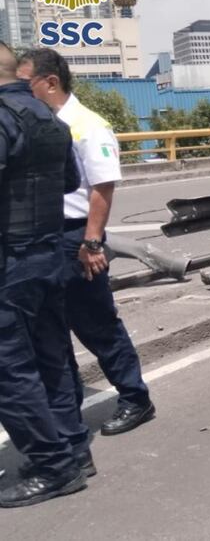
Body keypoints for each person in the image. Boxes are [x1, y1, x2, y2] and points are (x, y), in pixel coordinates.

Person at [18, 49, 156, 436]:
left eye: (24, 84)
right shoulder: (32, 124)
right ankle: (67, 405)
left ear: (50, 82)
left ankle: (135, 396)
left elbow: (102, 187)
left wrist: (92, 242)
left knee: (95, 323)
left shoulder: (86, 124)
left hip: (74, 235)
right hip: (38, 238)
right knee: (50, 327)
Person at [0, 42, 89, 507]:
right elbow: (71, 183)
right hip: (48, 254)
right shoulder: (49, 119)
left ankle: (54, 467)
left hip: (9, 262)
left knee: (11, 370)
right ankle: (74, 449)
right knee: (52, 356)